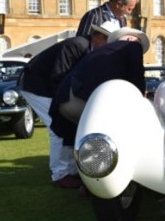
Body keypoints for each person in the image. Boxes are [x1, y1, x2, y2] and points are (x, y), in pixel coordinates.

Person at [17, 24, 114, 189]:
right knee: (57, 128)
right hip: (35, 86)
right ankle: (59, 175)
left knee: (67, 125)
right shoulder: (77, 44)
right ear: (99, 37)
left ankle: (69, 170)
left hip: (48, 86)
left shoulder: (89, 49)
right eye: (110, 42)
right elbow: (59, 75)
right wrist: (62, 105)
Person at [49, 27, 149, 147]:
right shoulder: (132, 46)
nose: (139, 47)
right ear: (129, 38)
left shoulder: (105, 52)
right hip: (82, 97)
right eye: (139, 43)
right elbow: (136, 76)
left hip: (65, 99)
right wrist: (141, 98)